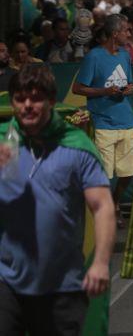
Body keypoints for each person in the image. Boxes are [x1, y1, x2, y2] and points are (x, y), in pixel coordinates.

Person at [0, 65, 115, 336]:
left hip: (61, 286)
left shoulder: (75, 145)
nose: (27, 105)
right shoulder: (6, 139)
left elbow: (102, 207)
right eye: (20, 98)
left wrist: (100, 262)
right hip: (7, 281)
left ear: (51, 101)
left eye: (36, 98)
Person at [72, 14, 133, 228]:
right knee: (104, 175)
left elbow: (129, 84)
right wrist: (104, 91)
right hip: (103, 123)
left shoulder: (125, 56)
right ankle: (103, 213)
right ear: (114, 33)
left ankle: (115, 202)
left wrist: (128, 89)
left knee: (129, 172)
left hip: (127, 121)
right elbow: (78, 88)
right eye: (126, 30)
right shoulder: (94, 56)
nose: (129, 34)